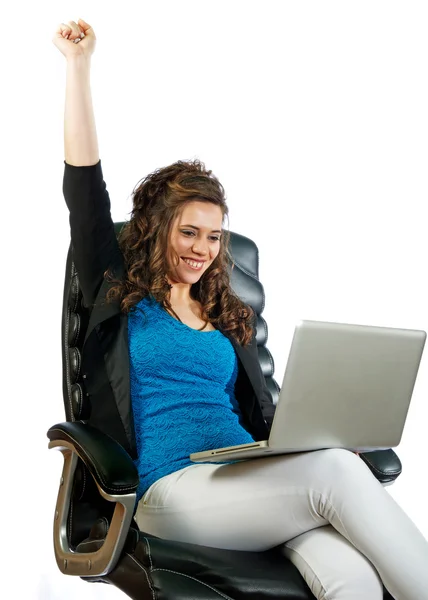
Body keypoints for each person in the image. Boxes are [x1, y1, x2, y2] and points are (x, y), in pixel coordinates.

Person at [53, 19, 428, 600]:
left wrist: (325, 435)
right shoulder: (118, 292)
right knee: (334, 474)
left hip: (251, 486)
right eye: (189, 232)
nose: (203, 249)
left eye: (214, 237)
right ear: (156, 232)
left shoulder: (229, 317)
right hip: (171, 492)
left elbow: (263, 418)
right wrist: (78, 67)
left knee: (352, 576)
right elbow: (84, 185)